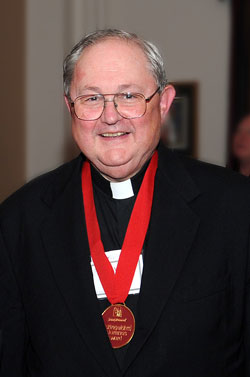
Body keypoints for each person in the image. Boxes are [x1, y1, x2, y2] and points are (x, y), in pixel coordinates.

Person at [0, 29, 250, 377]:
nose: (110, 115)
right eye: (91, 99)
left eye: (128, 95)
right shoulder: (17, 222)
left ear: (163, 104)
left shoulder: (235, 208)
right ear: (68, 107)